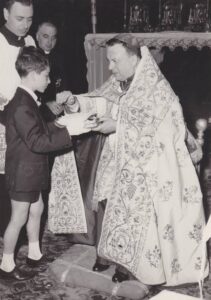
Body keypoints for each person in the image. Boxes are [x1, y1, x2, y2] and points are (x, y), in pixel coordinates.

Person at [54, 33, 209, 286]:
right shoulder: (119, 80)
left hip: (145, 167)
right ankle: (105, 255)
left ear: (135, 58)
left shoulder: (156, 88)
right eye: (109, 61)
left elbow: (166, 127)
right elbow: (99, 100)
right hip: (116, 158)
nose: (110, 67)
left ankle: (127, 267)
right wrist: (73, 102)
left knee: (133, 212)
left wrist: (118, 125)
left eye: (115, 61)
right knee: (104, 201)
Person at [0, 45, 91, 281]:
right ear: (32, 75)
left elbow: (39, 129)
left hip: (31, 170)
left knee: (37, 209)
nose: (49, 81)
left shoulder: (28, 99)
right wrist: (69, 132)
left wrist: (63, 124)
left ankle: (34, 253)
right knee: (18, 217)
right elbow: (37, 141)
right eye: (45, 75)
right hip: (23, 172)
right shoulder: (21, 105)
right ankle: (6, 265)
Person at [0, 0, 36, 236]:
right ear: (5, 13)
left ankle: (15, 237)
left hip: (24, 118)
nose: (25, 25)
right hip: (2, 120)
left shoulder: (31, 42)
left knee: (19, 178)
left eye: (30, 19)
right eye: (19, 18)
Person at [35, 21, 71, 122]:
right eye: (46, 36)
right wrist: (46, 102)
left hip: (58, 105)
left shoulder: (60, 58)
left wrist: (63, 102)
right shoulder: (32, 57)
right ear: (37, 36)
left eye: (53, 38)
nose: (50, 42)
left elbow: (64, 84)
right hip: (39, 105)